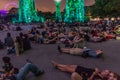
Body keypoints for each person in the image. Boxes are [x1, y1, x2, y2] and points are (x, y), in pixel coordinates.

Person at [51, 60, 119, 80]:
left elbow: (90, 78)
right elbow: (96, 71)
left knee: (67, 69)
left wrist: (94, 73)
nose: (104, 71)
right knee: (69, 66)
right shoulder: (102, 74)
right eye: (110, 74)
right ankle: (57, 65)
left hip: (83, 73)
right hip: (84, 69)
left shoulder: (100, 78)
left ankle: (57, 65)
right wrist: (96, 70)